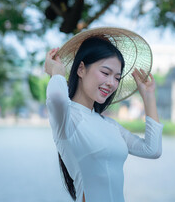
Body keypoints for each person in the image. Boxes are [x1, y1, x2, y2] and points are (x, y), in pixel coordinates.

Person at [44, 28, 164, 202]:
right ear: (81, 69)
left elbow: (152, 150)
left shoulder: (110, 125)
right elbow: (57, 97)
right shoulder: (67, 118)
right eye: (105, 73)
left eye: (117, 77)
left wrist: (148, 97)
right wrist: (56, 72)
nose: (111, 83)